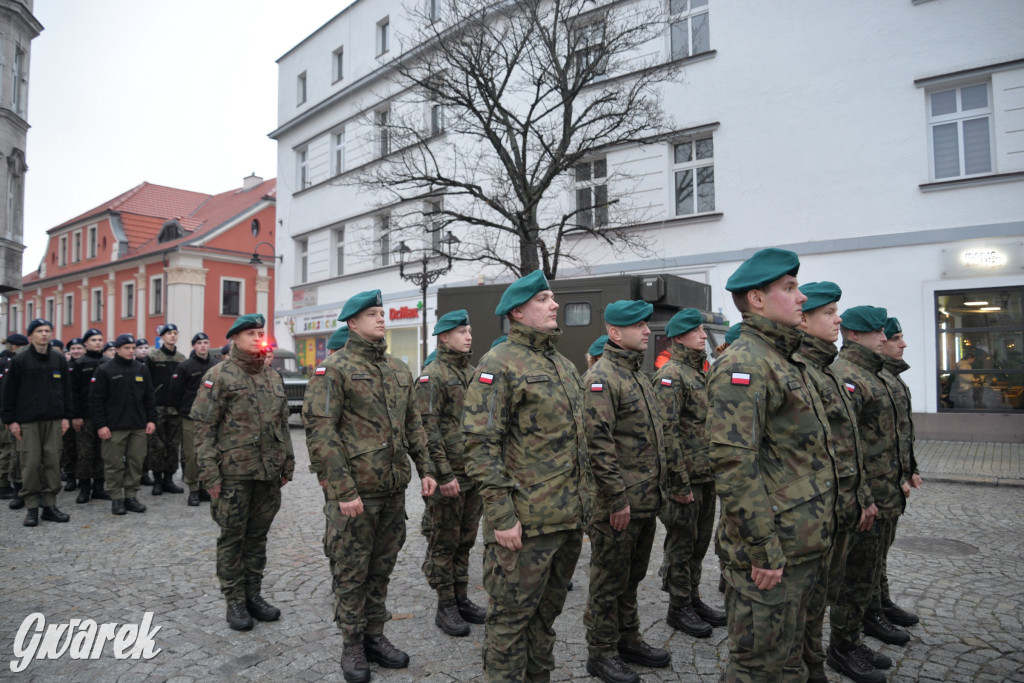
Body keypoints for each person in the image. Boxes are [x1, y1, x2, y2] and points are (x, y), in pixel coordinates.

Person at [706, 249, 837, 681]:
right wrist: (763, 550)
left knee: (790, 660)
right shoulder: (745, 363)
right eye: (789, 288)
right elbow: (733, 466)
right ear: (757, 300)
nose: (801, 298)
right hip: (772, 551)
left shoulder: (784, 358)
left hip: (801, 543)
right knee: (758, 668)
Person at [461, 270, 593, 683]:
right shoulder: (497, 364)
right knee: (509, 623)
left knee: (546, 618)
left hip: (566, 520)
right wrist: (501, 516)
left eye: (552, 298)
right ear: (518, 312)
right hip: (525, 525)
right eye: (544, 299)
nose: (554, 305)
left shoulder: (564, 365)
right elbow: (481, 445)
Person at [303, 290, 437, 682]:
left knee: (381, 567)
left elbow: (414, 424)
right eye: (372, 314)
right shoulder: (334, 370)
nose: (381, 319)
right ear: (352, 323)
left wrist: (427, 468)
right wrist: (342, 491)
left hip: (392, 489)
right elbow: (321, 434)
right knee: (350, 569)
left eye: (382, 313)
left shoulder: (397, 369)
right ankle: (352, 644)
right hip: (356, 494)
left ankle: (375, 635)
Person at [793, 284, 882, 683]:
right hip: (813, 512)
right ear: (804, 319)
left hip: (839, 506)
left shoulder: (828, 371)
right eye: (828, 313)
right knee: (806, 606)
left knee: (824, 597)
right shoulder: (802, 372)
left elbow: (848, 446)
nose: (838, 320)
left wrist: (861, 496)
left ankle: (818, 662)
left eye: (837, 311)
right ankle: (812, 665)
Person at [582, 300, 670, 683]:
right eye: (638, 325)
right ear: (615, 332)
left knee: (631, 578)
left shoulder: (637, 375)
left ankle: (628, 638)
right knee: (608, 581)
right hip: (617, 505)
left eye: (646, 324)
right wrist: (616, 499)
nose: (647, 331)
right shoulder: (602, 378)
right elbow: (597, 446)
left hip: (644, 501)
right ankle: (601, 653)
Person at [192, 314, 295, 631]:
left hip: (267, 473)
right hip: (234, 473)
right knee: (232, 539)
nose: (257, 338)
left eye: (260, 333)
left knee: (257, 538)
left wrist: (287, 461)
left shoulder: (272, 377)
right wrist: (209, 474)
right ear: (234, 339)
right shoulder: (218, 376)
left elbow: (282, 424)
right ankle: (234, 600)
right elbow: (204, 429)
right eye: (250, 333)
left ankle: (253, 595)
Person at [830, 306, 912, 667]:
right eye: (876, 332)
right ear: (854, 335)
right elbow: (846, 445)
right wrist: (862, 496)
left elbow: (894, 433)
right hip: (865, 495)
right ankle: (843, 646)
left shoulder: (874, 373)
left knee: (870, 567)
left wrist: (906, 472)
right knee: (855, 574)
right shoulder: (847, 376)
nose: (885, 338)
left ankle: (863, 624)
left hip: (883, 489)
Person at [652, 308, 727, 639]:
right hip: (685, 481)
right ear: (679, 338)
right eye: (695, 331)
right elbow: (667, 434)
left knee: (698, 544)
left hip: (705, 475)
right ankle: (678, 606)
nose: (703, 335)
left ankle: (693, 598)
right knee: (681, 544)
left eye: (702, 330)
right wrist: (678, 483)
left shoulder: (700, 373)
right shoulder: (671, 375)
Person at [416, 309, 488, 637]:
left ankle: (461, 597)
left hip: (473, 473)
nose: (469, 336)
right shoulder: (433, 375)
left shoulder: (472, 373)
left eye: (470, 330)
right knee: (444, 542)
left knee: (465, 541)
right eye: (461, 331)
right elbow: (426, 430)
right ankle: (445, 605)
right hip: (451, 477)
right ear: (444, 337)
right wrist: (443, 476)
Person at [0, 319, 73, 527]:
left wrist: (66, 416)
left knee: (52, 463)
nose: (44, 335)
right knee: (30, 465)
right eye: (39, 331)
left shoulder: (58, 359)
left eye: (47, 331)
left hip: (53, 421)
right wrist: (10, 420)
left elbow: (66, 391)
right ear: (30, 336)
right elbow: (8, 393)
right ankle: (32, 507)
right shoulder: (20, 361)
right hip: (27, 422)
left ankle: (50, 505)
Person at [876, 317, 922, 628]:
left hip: (892, 481)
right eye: (897, 338)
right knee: (866, 558)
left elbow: (900, 431)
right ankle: (869, 613)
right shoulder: (866, 378)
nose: (903, 344)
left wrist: (910, 469)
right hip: (875, 486)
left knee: (880, 553)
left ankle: (880, 601)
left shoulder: (893, 377)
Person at [89, 334, 157, 515]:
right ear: (117, 349)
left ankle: (131, 496)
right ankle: (116, 498)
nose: (130, 351)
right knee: (114, 464)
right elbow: (96, 401)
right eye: (126, 348)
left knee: (136, 462)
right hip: (114, 427)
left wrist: (151, 419)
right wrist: (101, 425)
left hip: (138, 425)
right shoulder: (105, 370)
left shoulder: (141, 369)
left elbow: (149, 397)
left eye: (132, 348)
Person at [168, 332, 215, 506]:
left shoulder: (215, 366)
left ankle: (204, 487)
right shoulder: (185, 366)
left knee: (208, 453)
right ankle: (193, 489)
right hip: (191, 417)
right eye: (199, 343)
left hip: (211, 417)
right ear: (194, 346)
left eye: (205, 342)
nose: (203, 346)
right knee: (191, 454)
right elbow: (175, 392)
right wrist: (184, 410)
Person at [69, 328, 111, 504]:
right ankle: (84, 487)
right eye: (93, 340)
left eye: (100, 339)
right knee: (85, 453)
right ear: (86, 343)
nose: (98, 343)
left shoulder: (108, 362)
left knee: (103, 452)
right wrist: (76, 415)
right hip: (85, 416)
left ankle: (99, 487)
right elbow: (73, 392)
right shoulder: (79, 364)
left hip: (105, 416)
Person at [146, 324, 186, 495]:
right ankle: (157, 479)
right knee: (156, 445)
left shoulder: (181, 359)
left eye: (175, 333)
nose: (173, 336)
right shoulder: (153, 357)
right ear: (162, 337)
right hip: (158, 407)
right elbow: (147, 385)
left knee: (172, 445)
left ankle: (169, 478)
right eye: (169, 333)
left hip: (175, 409)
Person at [0, 333, 29, 502]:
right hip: (6, 414)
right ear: (17, 347)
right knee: (7, 450)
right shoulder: (9, 364)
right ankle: (3, 484)